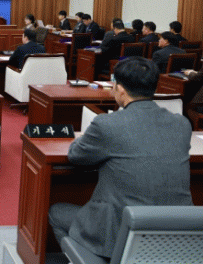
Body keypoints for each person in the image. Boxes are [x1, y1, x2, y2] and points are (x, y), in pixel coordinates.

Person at [48, 57, 192, 260]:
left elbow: (76, 155)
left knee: (56, 212)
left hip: (121, 230)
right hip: (177, 234)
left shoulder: (107, 124)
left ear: (121, 89)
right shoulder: (182, 124)